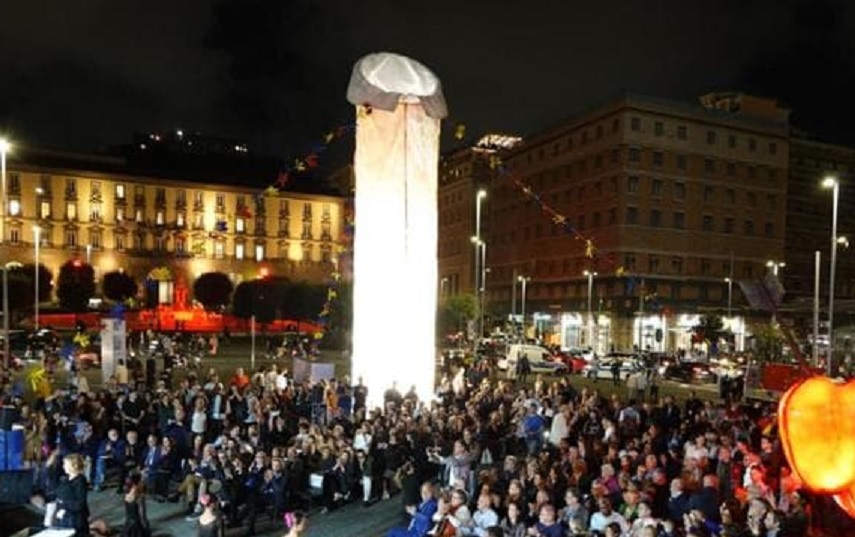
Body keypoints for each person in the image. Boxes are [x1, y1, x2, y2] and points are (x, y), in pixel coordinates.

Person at [55, 453, 90, 537]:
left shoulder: (80, 481)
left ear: (74, 466)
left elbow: (80, 504)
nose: (63, 466)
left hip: (75, 520)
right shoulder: (65, 479)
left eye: (66, 464)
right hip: (64, 517)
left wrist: (63, 504)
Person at [122, 473, 151, 537]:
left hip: (132, 525)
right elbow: (142, 515)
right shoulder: (135, 494)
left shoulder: (131, 495)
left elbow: (142, 514)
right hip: (133, 525)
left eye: (128, 479)